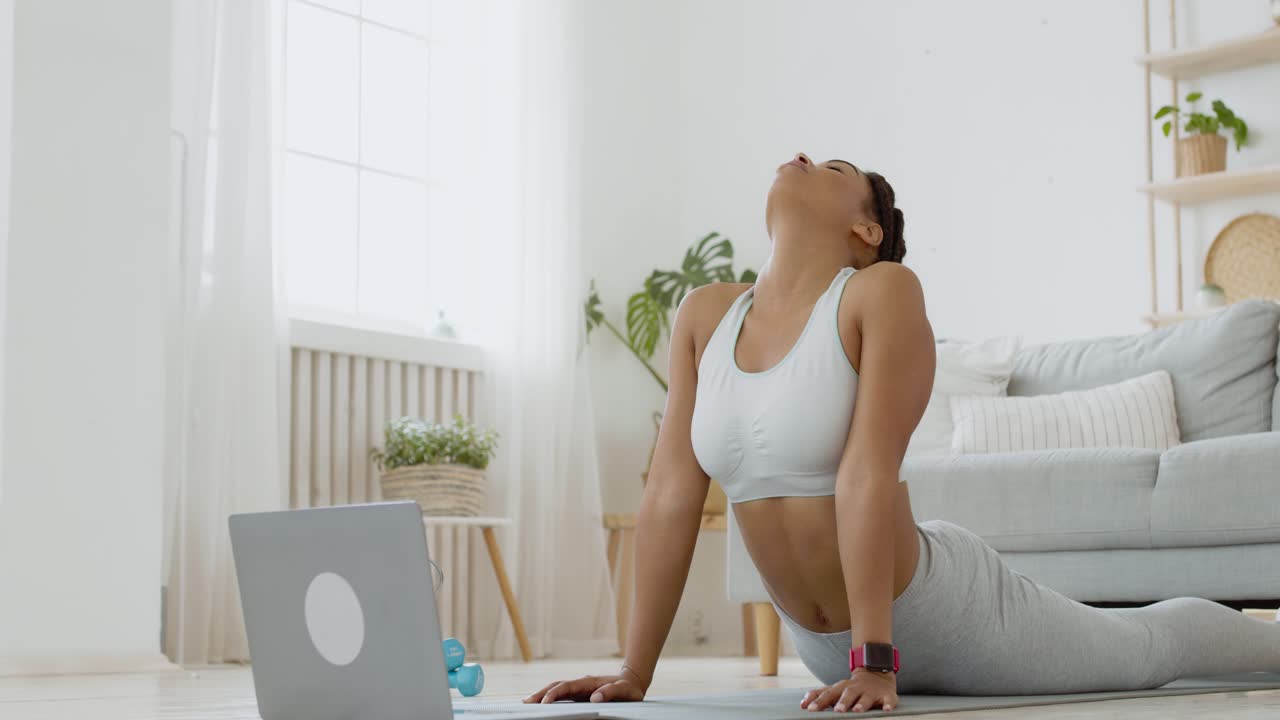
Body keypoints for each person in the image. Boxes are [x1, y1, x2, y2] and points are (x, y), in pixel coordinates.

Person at [524, 152, 1280, 713]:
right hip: (828, 649)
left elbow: (867, 474)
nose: (800, 159)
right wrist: (634, 670)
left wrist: (878, 660)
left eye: (833, 167)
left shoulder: (879, 292)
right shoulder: (703, 315)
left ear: (866, 227)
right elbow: (670, 494)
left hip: (941, 610)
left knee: (1148, 650)